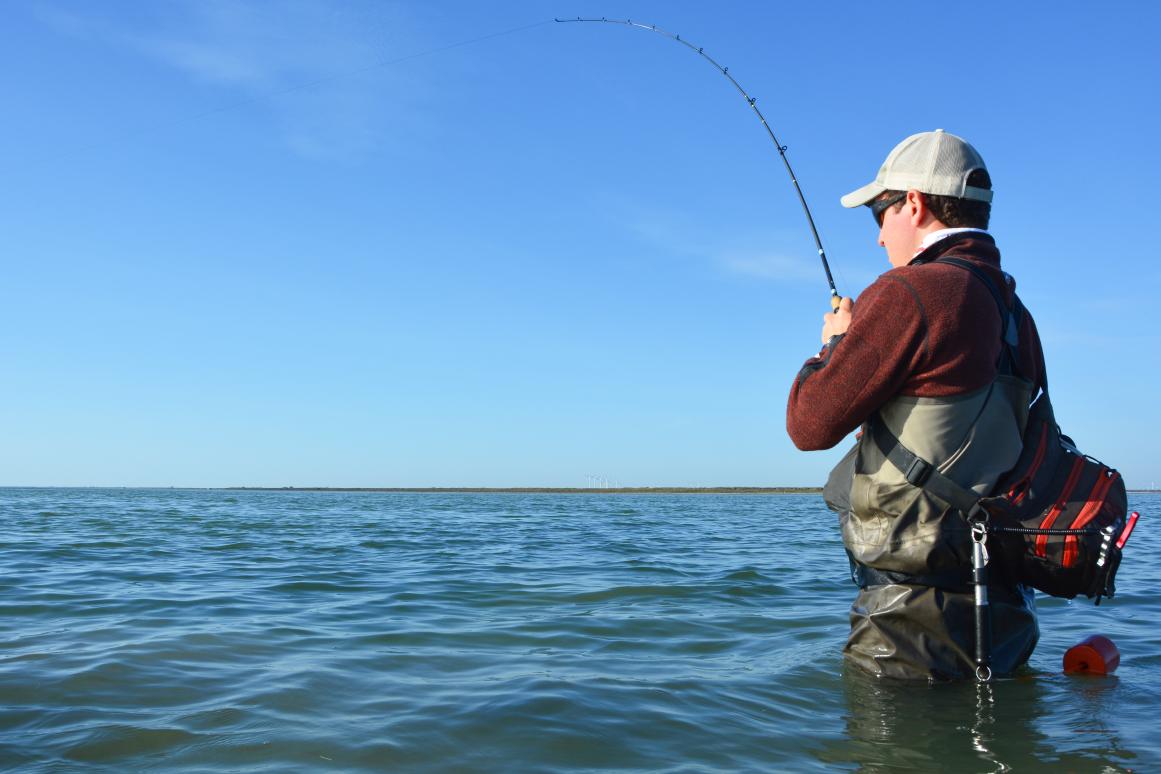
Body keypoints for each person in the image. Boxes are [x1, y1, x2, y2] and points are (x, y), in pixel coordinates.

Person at [786, 129, 1041, 681]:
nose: (879, 238)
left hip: (907, 628)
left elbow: (809, 425)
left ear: (915, 204)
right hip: (1004, 613)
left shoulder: (910, 291)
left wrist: (832, 345)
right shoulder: (1016, 312)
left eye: (879, 214)